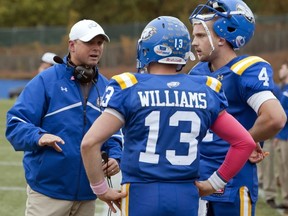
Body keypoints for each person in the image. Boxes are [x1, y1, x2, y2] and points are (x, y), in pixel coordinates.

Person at [81, 16, 256, 216]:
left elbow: (89, 143)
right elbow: (244, 142)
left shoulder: (129, 86)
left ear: (147, 48)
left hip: (141, 193)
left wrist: (101, 190)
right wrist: (214, 183)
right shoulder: (206, 88)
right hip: (186, 193)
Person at [5, 19, 122, 216]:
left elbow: (115, 134)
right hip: (48, 194)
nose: (96, 48)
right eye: (89, 43)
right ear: (72, 45)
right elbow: (15, 124)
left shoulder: (107, 87)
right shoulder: (45, 81)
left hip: (88, 195)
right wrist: (39, 137)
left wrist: (115, 156)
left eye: (100, 43)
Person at [188, 0, 287, 215]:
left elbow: (275, 117)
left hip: (231, 178)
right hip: (196, 176)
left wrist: (245, 141)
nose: (194, 42)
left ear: (223, 37)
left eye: (201, 36)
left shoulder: (245, 70)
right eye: (194, 36)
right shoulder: (196, 73)